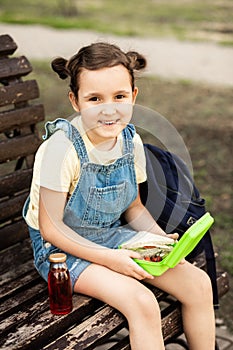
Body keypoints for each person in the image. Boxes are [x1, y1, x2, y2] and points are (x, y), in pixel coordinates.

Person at [23, 42, 215, 350]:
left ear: (133, 97)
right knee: (142, 302)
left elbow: (134, 207)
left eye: (119, 97)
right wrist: (113, 260)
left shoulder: (130, 141)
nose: (109, 108)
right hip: (61, 252)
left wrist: (160, 240)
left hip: (112, 236)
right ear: (75, 101)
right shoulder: (61, 150)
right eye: (95, 98)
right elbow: (51, 229)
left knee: (198, 284)